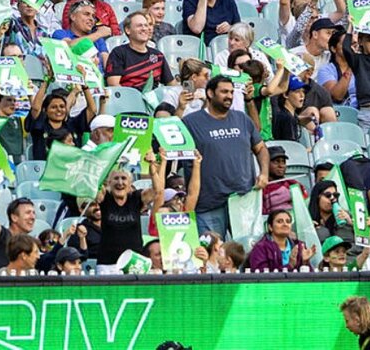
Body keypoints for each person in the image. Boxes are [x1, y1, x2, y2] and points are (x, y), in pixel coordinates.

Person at [182, 75, 268, 237]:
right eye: (224, 92)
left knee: (247, 255)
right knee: (210, 256)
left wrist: (264, 173)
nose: (229, 96)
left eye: (231, 92)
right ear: (210, 93)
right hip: (208, 204)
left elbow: (261, 148)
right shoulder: (190, 123)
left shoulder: (242, 119)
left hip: (243, 200)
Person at [96, 158, 161, 271]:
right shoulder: (105, 198)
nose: (120, 183)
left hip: (134, 262)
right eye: (116, 178)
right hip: (107, 263)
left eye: (124, 178)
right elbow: (95, 191)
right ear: (109, 183)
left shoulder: (136, 198)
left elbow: (157, 191)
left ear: (130, 183)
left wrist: (152, 168)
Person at [105, 12, 176, 89]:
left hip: (154, 99)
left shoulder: (158, 56)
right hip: (128, 99)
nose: (144, 28)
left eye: (146, 25)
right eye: (139, 25)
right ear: (128, 30)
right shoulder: (118, 53)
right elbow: (114, 85)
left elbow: (171, 84)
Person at [247, 210, 315, 271]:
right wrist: (290, 265)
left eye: (288, 222)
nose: (285, 224)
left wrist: (305, 263)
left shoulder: (299, 246)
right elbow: (261, 277)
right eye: (280, 221)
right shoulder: (261, 248)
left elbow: (310, 279)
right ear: (270, 227)